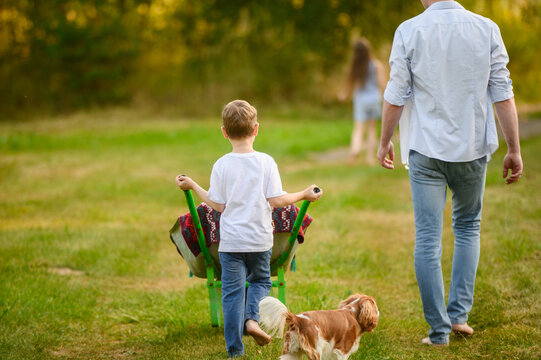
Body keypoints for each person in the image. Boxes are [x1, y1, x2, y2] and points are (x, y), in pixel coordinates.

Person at [377, 0, 523, 347]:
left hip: (425, 149)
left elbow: (396, 93)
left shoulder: (408, 30)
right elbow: (502, 91)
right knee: (468, 226)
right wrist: (514, 148)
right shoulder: (486, 28)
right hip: (471, 149)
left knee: (427, 238)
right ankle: (458, 316)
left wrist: (384, 141)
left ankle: (439, 331)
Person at [176, 99, 323, 357]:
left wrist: (193, 185)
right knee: (261, 281)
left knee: (231, 293)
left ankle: (235, 350)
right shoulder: (266, 162)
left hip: (231, 243)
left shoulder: (222, 164)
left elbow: (217, 205)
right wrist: (303, 194)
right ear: (256, 129)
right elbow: (277, 201)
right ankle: (252, 320)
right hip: (260, 242)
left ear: (224, 132)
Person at [344, 38, 386, 164]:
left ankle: (355, 151)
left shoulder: (355, 67)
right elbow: (382, 84)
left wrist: (345, 94)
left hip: (361, 100)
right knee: (372, 128)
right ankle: (370, 158)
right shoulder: (376, 65)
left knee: (358, 128)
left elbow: (349, 84)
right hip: (374, 99)